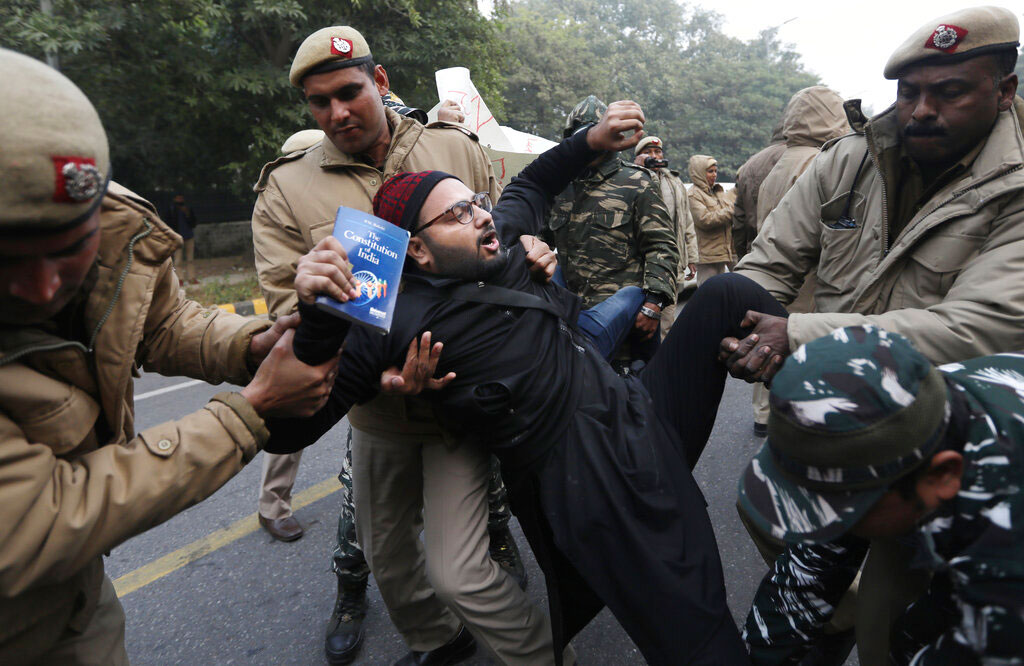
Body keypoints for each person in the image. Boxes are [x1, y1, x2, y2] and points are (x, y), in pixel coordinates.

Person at [271, 100, 756, 666]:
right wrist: (322, 318)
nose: (481, 216)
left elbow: (534, 181)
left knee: (728, 295)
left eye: (476, 203)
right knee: (694, 632)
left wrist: (595, 139)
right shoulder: (393, 323)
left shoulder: (505, 240)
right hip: (593, 478)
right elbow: (291, 429)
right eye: (457, 215)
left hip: (640, 413)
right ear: (417, 251)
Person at [0, 48, 334, 664]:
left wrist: (249, 343)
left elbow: (158, 322)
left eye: (68, 249)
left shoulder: (115, 227)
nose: (45, 288)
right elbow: (37, 519)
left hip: (75, 603)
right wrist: (250, 410)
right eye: (9, 260)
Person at [715, 5, 1023, 662]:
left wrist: (795, 333)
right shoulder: (849, 161)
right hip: (845, 427)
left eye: (949, 92)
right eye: (909, 92)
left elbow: (975, 326)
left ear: (1005, 90)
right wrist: (738, 321)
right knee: (789, 547)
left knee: (898, 619)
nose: (920, 111)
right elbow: (769, 263)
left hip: (952, 442)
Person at [250, 26, 538, 666]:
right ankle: (439, 642)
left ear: (380, 82)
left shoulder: (453, 150)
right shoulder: (288, 190)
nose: (337, 112)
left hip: (468, 394)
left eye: (349, 92)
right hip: (376, 409)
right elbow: (283, 317)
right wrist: (372, 376)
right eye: (319, 102)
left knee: (462, 563)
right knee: (386, 555)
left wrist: (531, 256)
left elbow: (498, 240)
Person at [738, 324, 1024, 664]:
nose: (816, 523)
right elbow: (803, 580)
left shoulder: (1006, 561)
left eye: (842, 504)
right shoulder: (896, 410)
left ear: (940, 476)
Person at [541, 95, 677, 364]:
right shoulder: (560, 186)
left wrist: (653, 304)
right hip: (567, 318)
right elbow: (537, 239)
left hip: (626, 322)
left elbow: (661, 246)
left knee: (633, 396)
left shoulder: (637, 182)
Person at [747, 86, 850, 437]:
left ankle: (766, 415)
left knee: (768, 345)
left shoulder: (781, 161)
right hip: (809, 281)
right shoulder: (822, 162)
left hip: (776, 274)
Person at [633, 135, 698, 337]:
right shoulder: (633, 178)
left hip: (673, 262)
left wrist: (692, 257)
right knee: (641, 319)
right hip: (642, 264)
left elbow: (686, 220)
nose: (654, 156)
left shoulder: (675, 181)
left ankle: (661, 362)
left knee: (668, 317)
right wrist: (640, 169)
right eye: (648, 152)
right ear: (638, 157)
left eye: (658, 152)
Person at [732, 123, 786, 261]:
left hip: (756, 255)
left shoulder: (750, 164)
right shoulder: (813, 156)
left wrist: (742, 256)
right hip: (798, 260)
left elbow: (739, 220)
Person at [687, 154, 736, 286]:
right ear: (699, 173)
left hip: (723, 252)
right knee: (708, 293)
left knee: (723, 294)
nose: (714, 175)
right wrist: (733, 210)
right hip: (707, 256)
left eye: (715, 171)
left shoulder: (716, 191)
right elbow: (705, 220)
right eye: (710, 171)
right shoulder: (693, 195)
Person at [165, 193, 198, 283]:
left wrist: (187, 214)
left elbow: (194, 223)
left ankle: (192, 278)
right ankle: (180, 279)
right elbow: (167, 223)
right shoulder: (171, 210)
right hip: (177, 238)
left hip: (189, 237)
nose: (180, 200)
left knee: (190, 259)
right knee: (178, 260)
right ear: (175, 199)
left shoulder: (188, 209)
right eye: (178, 198)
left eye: (181, 198)